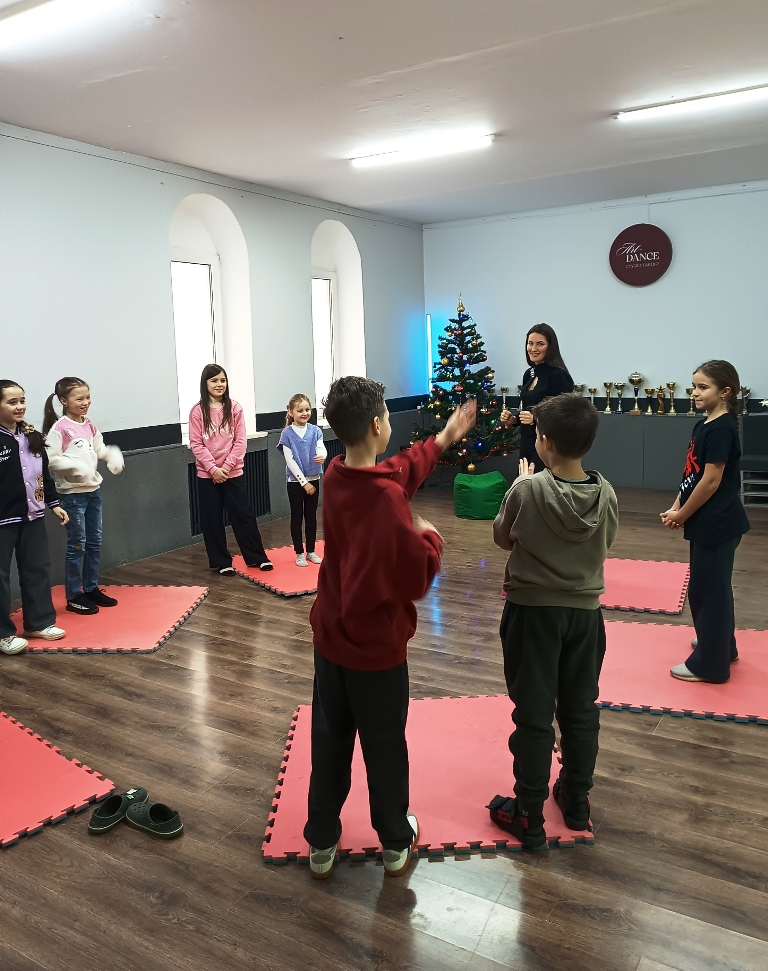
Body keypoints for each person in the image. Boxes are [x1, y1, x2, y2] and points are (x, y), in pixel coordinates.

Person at [304, 376, 476, 879]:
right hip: (376, 652)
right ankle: (396, 841)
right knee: (384, 747)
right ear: (379, 425)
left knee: (329, 743)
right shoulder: (386, 500)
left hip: (330, 642)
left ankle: (321, 842)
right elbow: (413, 577)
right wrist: (431, 539)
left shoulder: (337, 474)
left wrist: (443, 439)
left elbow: (396, 471)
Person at [489, 393, 617, 848]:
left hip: (533, 616)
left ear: (543, 442)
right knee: (581, 710)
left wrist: (522, 485)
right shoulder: (606, 493)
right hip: (586, 617)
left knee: (534, 714)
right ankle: (577, 802)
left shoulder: (527, 489)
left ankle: (529, 814)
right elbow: (606, 543)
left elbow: (502, 536)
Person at [660, 360, 750, 683]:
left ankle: (711, 665)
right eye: (694, 386)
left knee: (707, 592)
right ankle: (722, 645)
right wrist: (677, 506)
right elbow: (692, 473)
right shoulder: (703, 424)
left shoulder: (722, 428)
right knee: (712, 588)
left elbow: (711, 481)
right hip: (706, 521)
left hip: (718, 523)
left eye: (703, 387)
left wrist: (682, 515)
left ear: (725, 392)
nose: (695, 393)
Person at [43, 377, 124, 615]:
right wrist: (75, 467)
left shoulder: (89, 425)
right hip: (72, 496)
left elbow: (99, 449)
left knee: (95, 542)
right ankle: (74, 595)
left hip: (93, 492)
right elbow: (51, 460)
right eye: (79, 399)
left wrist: (112, 455)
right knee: (77, 545)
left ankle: (90, 587)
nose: (85, 402)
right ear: (63, 401)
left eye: (88, 397)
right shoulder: (60, 428)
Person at [0, 380, 69, 655]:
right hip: (3, 520)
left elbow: (42, 474)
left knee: (37, 568)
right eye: (12, 402)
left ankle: (38, 622)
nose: (20, 407)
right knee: (1, 577)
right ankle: (3, 634)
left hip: (33, 515)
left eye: (22, 401)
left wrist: (53, 503)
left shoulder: (32, 436)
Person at [188, 364, 273, 576]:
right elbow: (196, 444)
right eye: (214, 380)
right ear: (205, 384)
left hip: (232, 472)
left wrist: (225, 467)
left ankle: (256, 557)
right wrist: (213, 469)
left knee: (243, 515)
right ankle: (221, 561)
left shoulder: (234, 408)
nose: (219, 384)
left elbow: (240, 442)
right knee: (212, 519)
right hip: (208, 475)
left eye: (222, 380)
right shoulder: (197, 411)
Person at [500, 324, 574, 473]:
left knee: (539, 484)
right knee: (524, 482)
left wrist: (535, 418)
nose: (533, 349)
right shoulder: (529, 373)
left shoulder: (559, 375)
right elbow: (530, 407)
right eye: (530, 343)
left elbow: (565, 414)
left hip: (548, 444)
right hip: (527, 439)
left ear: (551, 347)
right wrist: (514, 420)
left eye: (540, 344)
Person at [277, 394, 327, 567]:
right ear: (291, 412)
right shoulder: (287, 434)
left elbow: (321, 448)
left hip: (314, 478)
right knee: (297, 517)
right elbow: (290, 461)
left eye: (307, 409)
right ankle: (299, 553)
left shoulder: (315, 431)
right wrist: (303, 482)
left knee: (311, 516)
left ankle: (311, 551)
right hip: (295, 482)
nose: (305, 413)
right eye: (300, 410)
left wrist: (322, 456)